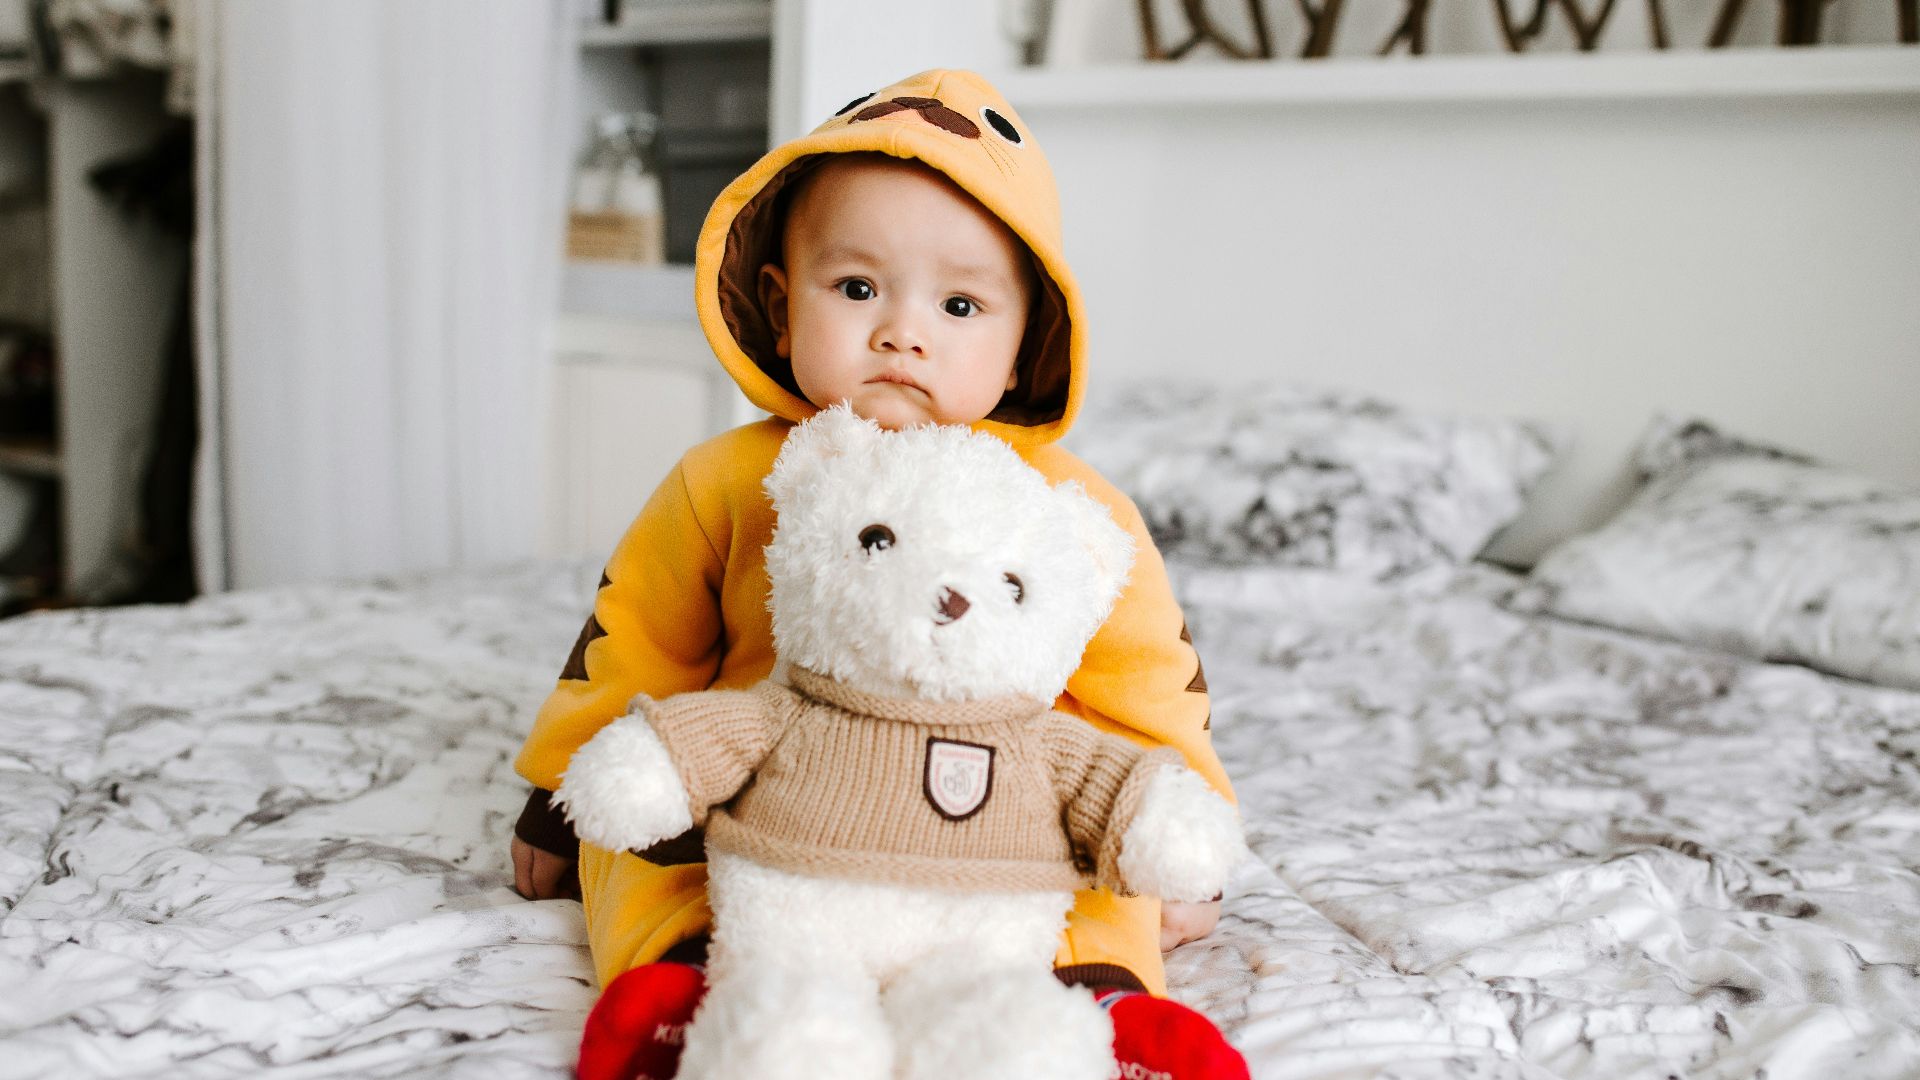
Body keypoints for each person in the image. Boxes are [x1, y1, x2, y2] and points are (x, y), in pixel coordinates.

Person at [510, 68, 1248, 1080]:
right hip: (767, 808)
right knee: (639, 848)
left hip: (1006, 826)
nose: (903, 332)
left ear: (1025, 337)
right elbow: (632, 636)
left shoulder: (1066, 510)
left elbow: (1152, 683)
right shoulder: (726, 480)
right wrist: (562, 788)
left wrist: (1181, 826)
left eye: (958, 303)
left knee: (1094, 880)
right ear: (778, 305)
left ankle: (1089, 996)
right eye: (856, 289)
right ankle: (687, 983)